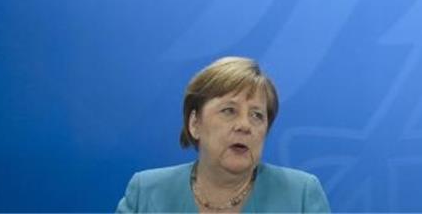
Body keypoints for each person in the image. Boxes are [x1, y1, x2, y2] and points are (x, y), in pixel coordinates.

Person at [115, 56, 330, 213]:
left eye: (257, 115)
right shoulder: (146, 192)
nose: (245, 125)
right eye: (229, 111)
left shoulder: (301, 195)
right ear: (194, 123)